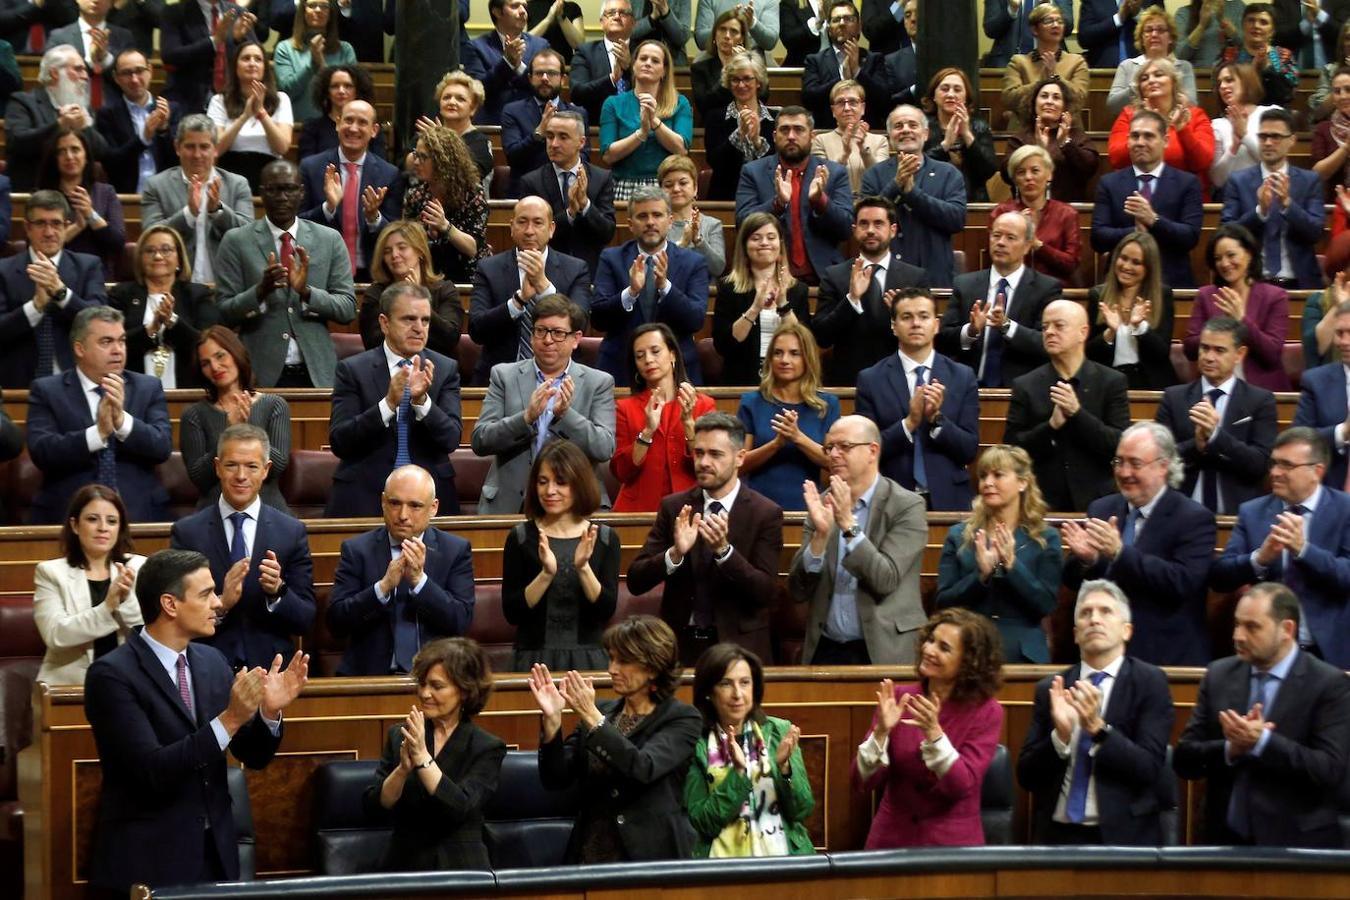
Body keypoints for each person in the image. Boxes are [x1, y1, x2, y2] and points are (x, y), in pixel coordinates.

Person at [84, 548, 308, 895]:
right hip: (148, 863)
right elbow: (152, 770)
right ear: (170, 605)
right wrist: (232, 718)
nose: (218, 604)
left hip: (215, 857)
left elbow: (255, 755)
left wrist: (267, 713)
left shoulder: (212, 662)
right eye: (206, 594)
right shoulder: (112, 675)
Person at [1174, 582, 1350, 847]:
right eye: (1237, 624)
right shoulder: (1219, 675)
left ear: (1287, 630)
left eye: (1252, 627)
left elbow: (1329, 770)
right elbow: (1184, 758)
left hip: (1299, 847)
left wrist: (1264, 743)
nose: (1238, 636)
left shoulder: (1329, 684)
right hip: (1223, 842)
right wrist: (1230, 749)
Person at [531, 615, 702, 862]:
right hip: (589, 853)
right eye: (611, 658)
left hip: (649, 860)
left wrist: (591, 716)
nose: (612, 669)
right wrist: (553, 721)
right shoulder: (603, 711)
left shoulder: (682, 718)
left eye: (623, 661)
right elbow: (556, 778)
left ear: (653, 667)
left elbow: (643, 767)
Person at [1017, 579, 1175, 845]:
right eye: (1086, 613)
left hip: (1125, 838)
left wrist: (1099, 730)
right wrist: (1061, 737)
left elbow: (1149, 769)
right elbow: (1027, 776)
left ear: (1127, 631)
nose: (1094, 619)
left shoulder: (1150, 683)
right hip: (1058, 835)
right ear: (1076, 633)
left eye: (1105, 611)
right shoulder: (1052, 688)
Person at [627, 412, 784, 664]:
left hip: (739, 650)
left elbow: (765, 592)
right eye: (699, 453)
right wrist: (674, 554)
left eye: (715, 454)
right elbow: (636, 580)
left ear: (739, 458)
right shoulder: (674, 507)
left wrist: (725, 552)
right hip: (679, 648)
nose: (703, 462)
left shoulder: (765, 513)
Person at [1061, 422, 1216, 666]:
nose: (1124, 473)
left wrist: (1120, 553)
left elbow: (1182, 582)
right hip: (1104, 656)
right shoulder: (1102, 508)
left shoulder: (1193, 518)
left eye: (1135, 463)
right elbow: (1072, 581)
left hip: (1166, 655)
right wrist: (1087, 561)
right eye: (1119, 462)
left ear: (1163, 466)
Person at [853, 608, 1005, 847]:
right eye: (930, 640)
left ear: (969, 662)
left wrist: (935, 735)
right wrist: (881, 732)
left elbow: (960, 786)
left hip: (951, 848)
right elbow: (862, 781)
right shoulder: (900, 698)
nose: (929, 650)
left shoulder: (986, 712)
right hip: (890, 842)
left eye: (943, 648)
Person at [169, 423, 315, 670]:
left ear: (266, 470)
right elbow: (177, 616)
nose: (240, 476)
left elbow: (305, 619)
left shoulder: (290, 532)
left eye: (251, 466)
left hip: (272, 670)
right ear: (217, 467)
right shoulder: (188, 533)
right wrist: (222, 603)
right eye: (231, 465)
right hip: (206, 668)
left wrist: (277, 592)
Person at [788, 415, 926, 665]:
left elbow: (885, 579)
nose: (833, 454)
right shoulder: (820, 504)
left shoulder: (906, 506)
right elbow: (798, 590)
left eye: (845, 447)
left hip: (885, 650)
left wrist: (848, 526)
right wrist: (819, 539)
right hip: (826, 648)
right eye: (829, 447)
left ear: (872, 451)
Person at [1211, 428, 1350, 668]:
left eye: (1286, 465)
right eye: (1274, 463)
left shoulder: (1345, 510)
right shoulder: (1252, 512)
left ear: (1316, 471)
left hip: (1329, 651)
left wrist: (1304, 550)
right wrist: (1259, 559)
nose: (1275, 472)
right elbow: (1220, 577)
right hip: (1267, 652)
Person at [216, 159, 358, 389]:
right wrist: (260, 291)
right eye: (274, 190)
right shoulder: (236, 241)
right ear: (261, 193)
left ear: (301, 192)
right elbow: (223, 313)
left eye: (289, 189)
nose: (282, 197)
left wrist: (307, 292)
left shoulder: (329, 240)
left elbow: (348, 308)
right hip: (259, 372)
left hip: (317, 372)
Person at [364, 637, 505, 870]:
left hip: (462, 867)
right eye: (422, 683)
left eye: (436, 686)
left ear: (465, 690)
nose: (424, 693)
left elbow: (459, 807)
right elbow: (374, 807)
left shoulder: (487, 747)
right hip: (404, 864)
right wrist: (401, 771)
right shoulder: (400, 735)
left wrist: (422, 758)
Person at [327, 282, 463, 518]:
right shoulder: (352, 370)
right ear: (384, 323)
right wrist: (388, 404)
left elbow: (451, 438)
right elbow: (340, 441)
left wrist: (422, 402)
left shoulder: (444, 368)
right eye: (409, 319)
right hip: (365, 494)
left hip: (428, 497)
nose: (419, 328)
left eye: (425, 320)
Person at [472, 294, 617, 514]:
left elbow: (604, 448)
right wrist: (526, 418)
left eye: (558, 333)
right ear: (531, 336)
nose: (548, 340)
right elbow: (481, 440)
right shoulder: (504, 375)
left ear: (576, 339)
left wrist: (566, 416)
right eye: (541, 331)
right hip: (510, 504)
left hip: (577, 504)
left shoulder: (598, 382)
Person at [327, 465, 476, 676]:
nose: (403, 515)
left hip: (436, 676)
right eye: (395, 503)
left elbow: (460, 621)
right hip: (370, 680)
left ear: (433, 508)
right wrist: (382, 588)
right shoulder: (357, 550)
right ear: (382, 502)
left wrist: (420, 582)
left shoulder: (455, 551)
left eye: (415, 506)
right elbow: (336, 623)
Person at [27, 306, 171, 525]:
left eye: (121, 341)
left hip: (139, 513)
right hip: (68, 516)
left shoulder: (147, 387)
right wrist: (97, 434)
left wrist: (122, 423)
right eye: (106, 342)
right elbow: (42, 451)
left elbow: (161, 446)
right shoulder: (47, 391)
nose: (118, 350)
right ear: (80, 348)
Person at [683, 643, 814, 857]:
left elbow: (802, 809)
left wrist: (784, 769)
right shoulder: (696, 743)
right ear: (709, 692)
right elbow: (702, 822)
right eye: (726, 684)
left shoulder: (778, 731)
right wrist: (739, 775)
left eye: (745, 683)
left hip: (784, 858)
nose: (737, 694)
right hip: (721, 866)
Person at [936, 446, 1061, 663]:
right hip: (970, 650)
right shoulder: (959, 536)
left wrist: (1013, 565)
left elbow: (1046, 605)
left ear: (1023, 483)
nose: (988, 482)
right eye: (983, 476)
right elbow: (944, 603)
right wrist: (980, 576)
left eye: (998, 475)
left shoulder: (1045, 538)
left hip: (1023, 653)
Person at [859, 287, 980, 512]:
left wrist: (937, 420)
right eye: (907, 317)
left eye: (923, 316)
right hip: (891, 500)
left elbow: (969, 449)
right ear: (894, 326)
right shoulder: (871, 379)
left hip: (949, 499)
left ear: (936, 325)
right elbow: (866, 450)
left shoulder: (962, 376)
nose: (916, 323)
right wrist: (909, 423)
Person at [1004, 300, 1131, 512]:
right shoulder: (1025, 385)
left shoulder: (1111, 382)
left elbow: (1119, 444)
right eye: (1045, 327)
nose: (1049, 332)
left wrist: (1078, 414)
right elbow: (1011, 450)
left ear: (1083, 332)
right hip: (1040, 503)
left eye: (1059, 326)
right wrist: (1050, 427)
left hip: (1098, 502)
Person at [502, 441, 618, 671]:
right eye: (542, 482)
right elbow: (512, 613)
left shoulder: (604, 538)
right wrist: (546, 574)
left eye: (560, 483)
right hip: (532, 660)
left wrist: (583, 567)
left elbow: (605, 611)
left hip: (589, 661)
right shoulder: (521, 537)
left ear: (579, 484)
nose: (550, 491)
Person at [467, 195, 592, 385]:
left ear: (551, 229)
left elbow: (580, 323)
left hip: (562, 379)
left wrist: (544, 286)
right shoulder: (488, 268)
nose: (529, 231)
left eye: (538, 223)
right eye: (522, 222)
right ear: (511, 227)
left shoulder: (575, 269)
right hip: (501, 379)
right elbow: (476, 329)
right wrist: (518, 301)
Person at [1158, 316, 1277, 514]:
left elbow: (1261, 464)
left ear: (1240, 354)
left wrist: (1217, 437)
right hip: (1180, 513)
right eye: (1204, 348)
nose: (1209, 357)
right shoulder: (1174, 398)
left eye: (1219, 350)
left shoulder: (1260, 401)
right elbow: (1159, 460)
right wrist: (1195, 446)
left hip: (1237, 514)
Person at [592, 187, 710, 386]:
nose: (650, 222)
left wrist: (665, 287)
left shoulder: (693, 262)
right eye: (642, 216)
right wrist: (631, 293)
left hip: (677, 371)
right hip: (620, 369)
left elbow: (695, 321)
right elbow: (598, 319)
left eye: (657, 215)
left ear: (670, 221)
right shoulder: (611, 258)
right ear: (630, 224)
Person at [33, 485, 145, 685]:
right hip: (68, 687)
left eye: (111, 521)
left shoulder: (139, 567)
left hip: (129, 684)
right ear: (75, 525)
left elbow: (149, 633)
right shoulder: (50, 572)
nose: (103, 527)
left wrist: (126, 599)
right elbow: (55, 635)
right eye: (93, 519)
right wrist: (107, 607)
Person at [811, 197, 927, 387]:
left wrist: (899, 316)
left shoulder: (915, 278)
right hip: (849, 383)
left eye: (878, 223)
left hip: (900, 382)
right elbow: (822, 337)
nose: (871, 230)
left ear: (893, 230)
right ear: (854, 230)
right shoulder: (835, 276)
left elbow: (924, 338)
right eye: (864, 224)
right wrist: (852, 299)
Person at [939, 211, 1061, 389]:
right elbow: (942, 340)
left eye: (1011, 237)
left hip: (1021, 390)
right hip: (969, 387)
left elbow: (1047, 344)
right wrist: (971, 331)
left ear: (1027, 246)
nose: (1001, 243)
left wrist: (1007, 326)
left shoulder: (1046, 288)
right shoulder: (965, 285)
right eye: (996, 235)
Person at [735, 106, 854, 288]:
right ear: (774, 136)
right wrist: (778, 203)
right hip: (769, 278)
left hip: (823, 279)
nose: (791, 136)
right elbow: (743, 223)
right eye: (785, 130)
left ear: (812, 136)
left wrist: (820, 201)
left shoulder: (834, 173)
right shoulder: (753, 172)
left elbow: (846, 229)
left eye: (798, 130)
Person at [0, 189, 105, 389]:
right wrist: (35, 306)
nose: (49, 232)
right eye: (40, 223)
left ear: (67, 226)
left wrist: (61, 293)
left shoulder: (88, 266)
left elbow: (98, 323)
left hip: (76, 384)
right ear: (27, 228)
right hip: (17, 386)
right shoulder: (3, 271)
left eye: (56, 223)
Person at [180, 326, 291, 512]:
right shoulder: (194, 414)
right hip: (215, 512)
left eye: (220, 356)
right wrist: (229, 430)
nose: (215, 367)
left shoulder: (274, 405)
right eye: (205, 363)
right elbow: (199, 477)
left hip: (268, 510)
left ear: (236, 353)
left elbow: (277, 465)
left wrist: (245, 427)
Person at [1091, 109, 1203, 289]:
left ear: (1165, 141)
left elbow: (1190, 237)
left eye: (1148, 136)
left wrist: (1154, 220)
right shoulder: (1109, 183)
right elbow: (1098, 237)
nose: (1140, 142)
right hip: (1120, 285)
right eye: (1135, 136)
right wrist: (1135, 231)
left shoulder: (1187, 183)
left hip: (1170, 283)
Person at [610, 323, 716, 512]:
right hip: (639, 510)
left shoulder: (703, 405)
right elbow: (622, 472)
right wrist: (647, 432)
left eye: (655, 351)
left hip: (692, 508)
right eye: (640, 356)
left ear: (673, 354)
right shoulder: (625, 408)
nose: (648, 360)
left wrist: (689, 423)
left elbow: (711, 467)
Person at [140, 114, 255, 289]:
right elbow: (150, 235)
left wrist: (217, 211)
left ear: (215, 149)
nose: (197, 154)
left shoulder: (237, 184)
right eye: (190, 147)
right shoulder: (156, 186)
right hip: (176, 288)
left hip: (226, 287)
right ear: (177, 147)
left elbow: (248, 235)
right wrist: (188, 215)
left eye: (204, 147)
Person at [859, 104, 966, 288]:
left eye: (912, 125)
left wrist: (912, 194)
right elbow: (867, 220)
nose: (905, 130)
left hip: (934, 278)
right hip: (886, 280)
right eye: (898, 126)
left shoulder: (948, 173)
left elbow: (956, 220)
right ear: (890, 136)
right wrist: (896, 184)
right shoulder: (874, 175)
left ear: (925, 134)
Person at [736, 322, 839, 511]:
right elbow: (737, 465)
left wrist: (797, 437)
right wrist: (776, 444)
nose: (784, 360)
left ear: (807, 358)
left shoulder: (827, 405)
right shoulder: (751, 402)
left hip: (810, 506)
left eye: (794, 353)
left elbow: (835, 462)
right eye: (777, 353)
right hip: (758, 507)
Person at [1220, 109, 1326, 291]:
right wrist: (1259, 212)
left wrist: (1288, 205)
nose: (1268, 142)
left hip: (1299, 283)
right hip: (1251, 284)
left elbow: (1315, 232)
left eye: (1275, 136)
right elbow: (1226, 233)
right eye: (1263, 137)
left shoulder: (1309, 181)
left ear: (1292, 140)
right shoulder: (1238, 181)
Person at [299, 99, 401, 281]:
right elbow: (298, 224)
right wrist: (327, 208)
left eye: (362, 122)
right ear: (338, 124)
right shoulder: (311, 167)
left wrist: (373, 218)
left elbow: (396, 233)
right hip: (322, 273)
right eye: (348, 120)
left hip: (371, 275)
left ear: (374, 130)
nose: (353, 128)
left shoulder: (389, 174)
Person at [1182, 223, 1292, 392]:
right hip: (1214, 387)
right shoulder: (1206, 295)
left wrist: (1242, 320)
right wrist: (1217, 330)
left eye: (1231, 255)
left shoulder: (1275, 297)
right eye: (1218, 258)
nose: (1224, 264)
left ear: (1249, 254)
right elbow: (1190, 349)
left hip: (1261, 391)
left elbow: (1272, 354)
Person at [712, 212, 809, 387]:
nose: (764, 243)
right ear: (745, 246)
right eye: (756, 238)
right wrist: (755, 308)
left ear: (780, 245)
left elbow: (804, 344)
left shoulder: (797, 290)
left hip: (790, 381)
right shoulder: (729, 288)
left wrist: (784, 306)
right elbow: (724, 345)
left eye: (771, 237)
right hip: (742, 381)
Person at [519, 109, 617, 279]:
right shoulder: (532, 181)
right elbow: (533, 233)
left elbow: (607, 233)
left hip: (591, 272)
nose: (554, 144)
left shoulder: (601, 178)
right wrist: (570, 213)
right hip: (545, 272)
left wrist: (585, 204)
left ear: (581, 142)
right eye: (550, 136)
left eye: (563, 137)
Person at [4, 44, 108, 192]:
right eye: (78, 69)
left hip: (78, 194)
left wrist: (85, 127)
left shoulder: (84, 109)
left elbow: (102, 152)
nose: (85, 76)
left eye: (85, 70)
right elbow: (17, 142)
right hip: (32, 192)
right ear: (54, 73)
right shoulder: (23, 102)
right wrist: (59, 125)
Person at [598, 38, 692, 199]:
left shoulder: (680, 102)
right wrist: (641, 133)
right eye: (643, 58)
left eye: (655, 61)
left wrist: (654, 121)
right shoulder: (613, 103)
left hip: (666, 186)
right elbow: (608, 155)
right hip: (625, 184)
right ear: (633, 66)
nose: (648, 63)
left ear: (664, 71)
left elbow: (681, 149)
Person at [1107, 57, 1214, 196]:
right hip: (1137, 194)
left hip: (1185, 197)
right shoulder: (1129, 115)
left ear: (1173, 82)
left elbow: (1202, 162)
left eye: (1158, 75)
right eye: (1144, 78)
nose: (1151, 80)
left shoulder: (1194, 116)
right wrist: (1143, 126)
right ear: (1140, 88)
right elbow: (1117, 159)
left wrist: (1183, 130)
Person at [1084, 232, 1176, 391]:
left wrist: (1140, 327)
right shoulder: (1098, 295)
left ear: (1148, 268)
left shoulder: (1163, 295)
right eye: (1123, 258)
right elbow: (1089, 354)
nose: (1126, 266)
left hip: (1151, 382)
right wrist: (1110, 333)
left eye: (1136, 262)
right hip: (1107, 382)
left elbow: (1161, 353)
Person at [398, 124, 490, 284]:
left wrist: (445, 227)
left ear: (442, 161)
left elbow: (473, 248)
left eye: (423, 157)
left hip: (467, 277)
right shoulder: (416, 195)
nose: (416, 162)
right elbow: (408, 240)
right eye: (415, 155)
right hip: (428, 276)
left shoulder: (471, 194)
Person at [358, 221, 461, 358]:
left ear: (420, 251)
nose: (394, 255)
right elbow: (372, 342)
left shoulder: (444, 289)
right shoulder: (375, 294)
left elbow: (450, 338)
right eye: (387, 251)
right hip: (387, 369)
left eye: (402, 247)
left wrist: (419, 302)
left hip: (436, 369)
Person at [35, 126, 124, 277]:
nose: (69, 156)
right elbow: (36, 246)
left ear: (86, 156)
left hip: (95, 275)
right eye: (62, 151)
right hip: (51, 273)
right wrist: (77, 227)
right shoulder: (42, 196)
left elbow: (117, 242)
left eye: (75, 149)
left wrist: (90, 214)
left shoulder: (105, 192)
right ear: (55, 158)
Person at [500, 48, 588, 197]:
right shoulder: (513, 111)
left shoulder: (578, 113)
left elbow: (583, 157)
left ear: (563, 79)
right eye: (539, 73)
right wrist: (539, 132)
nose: (545, 78)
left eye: (552, 73)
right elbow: (513, 157)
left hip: (566, 191)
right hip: (525, 193)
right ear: (530, 78)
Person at [206, 41, 294, 191]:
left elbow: (282, 147)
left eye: (258, 59)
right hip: (230, 172)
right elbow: (216, 149)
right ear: (236, 66)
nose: (252, 63)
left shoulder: (281, 99)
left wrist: (261, 113)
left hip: (269, 174)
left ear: (265, 67)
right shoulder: (219, 100)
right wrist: (245, 116)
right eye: (246, 58)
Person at [96, 49, 183, 195]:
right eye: (126, 73)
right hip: (125, 196)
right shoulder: (107, 114)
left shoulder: (172, 110)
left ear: (150, 71)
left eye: (139, 71)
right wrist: (143, 138)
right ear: (116, 78)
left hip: (166, 196)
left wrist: (163, 130)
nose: (134, 79)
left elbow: (179, 161)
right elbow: (110, 162)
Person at [992, 145, 1080, 286]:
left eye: (1035, 171)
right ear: (1015, 180)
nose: (1028, 177)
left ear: (1049, 175)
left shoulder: (1066, 214)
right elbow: (996, 259)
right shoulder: (1002, 213)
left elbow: (1071, 264)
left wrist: (1037, 245)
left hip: (1055, 291)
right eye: (1021, 172)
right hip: (1013, 288)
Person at [1003, 77, 1099, 204]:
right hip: (1027, 208)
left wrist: (1065, 143)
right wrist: (1038, 150)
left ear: (1065, 106)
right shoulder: (1021, 138)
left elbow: (1090, 167)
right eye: (1044, 96)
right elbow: (1007, 173)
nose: (1049, 101)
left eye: (1056, 97)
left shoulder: (1076, 136)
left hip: (1067, 208)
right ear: (1034, 103)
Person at [159, 0, 266, 114]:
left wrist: (236, 40)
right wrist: (214, 41)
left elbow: (255, 55)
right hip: (189, 99)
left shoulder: (239, 12)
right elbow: (170, 56)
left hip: (232, 99)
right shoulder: (175, 11)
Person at [1000, 3, 1088, 132]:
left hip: (1067, 132)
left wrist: (1055, 77)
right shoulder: (1018, 62)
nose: (1056, 25)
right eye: (1048, 21)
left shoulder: (1077, 62)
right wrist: (1042, 81)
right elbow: (1009, 99)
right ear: (1035, 29)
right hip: (1025, 131)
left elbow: (1079, 100)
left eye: (1060, 21)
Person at [703, 50, 776, 202]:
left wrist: (757, 142)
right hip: (726, 196)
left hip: (766, 198)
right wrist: (739, 135)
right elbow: (714, 161)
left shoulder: (775, 119)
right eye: (735, 79)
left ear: (758, 82)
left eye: (747, 79)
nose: (741, 85)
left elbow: (777, 165)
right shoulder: (715, 117)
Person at [465, 0, 551, 125]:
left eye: (524, 7)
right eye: (515, 6)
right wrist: (506, 63)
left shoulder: (541, 45)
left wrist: (518, 66)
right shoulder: (477, 46)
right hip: (493, 122)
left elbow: (544, 86)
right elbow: (477, 90)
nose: (523, 11)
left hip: (533, 122)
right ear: (497, 12)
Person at [920, 67, 997, 204]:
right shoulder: (922, 126)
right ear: (934, 96)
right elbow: (919, 168)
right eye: (944, 89)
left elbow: (988, 171)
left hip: (972, 200)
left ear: (966, 97)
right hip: (931, 199)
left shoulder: (979, 127)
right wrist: (946, 144)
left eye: (957, 89)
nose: (951, 94)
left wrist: (967, 135)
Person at [1295, 300, 1350, 488]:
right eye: (1340, 333)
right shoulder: (1316, 381)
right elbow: (1299, 439)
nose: (1343, 341)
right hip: (1331, 489)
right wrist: (1342, 432)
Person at [1105, 7, 1199, 118]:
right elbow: (1112, 105)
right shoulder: (1127, 66)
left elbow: (1192, 104)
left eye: (1160, 30)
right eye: (1149, 30)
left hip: (1175, 124)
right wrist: (1137, 85)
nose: (1154, 34)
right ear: (1142, 39)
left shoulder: (1183, 67)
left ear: (1170, 38)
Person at [274, 0, 356, 123]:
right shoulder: (285, 48)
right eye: (312, 5)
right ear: (303, 11)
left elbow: (352, 92)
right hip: (298, 126)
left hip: (338, 126)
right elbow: (287, 92)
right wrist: (311, 65)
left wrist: (321, 64)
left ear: (331, 13)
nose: (318, 10)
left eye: (324, 6)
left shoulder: (345, 49)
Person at [810, 79, 889, 194]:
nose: (847, 108)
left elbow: (881, 177)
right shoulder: (820, 141)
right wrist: (844, 154)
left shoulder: (880, 141)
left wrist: (863, 149)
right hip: (836, 203)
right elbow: (823, 181)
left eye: (852, 102)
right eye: (841, 103)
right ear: (833, 111)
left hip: (870, 204)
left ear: (862, 108)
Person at [1208, 61, 1275, 194]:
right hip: (1233, 197)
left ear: (1246, 81)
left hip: (1271, 191)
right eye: (1219, 82)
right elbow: (1217, 180)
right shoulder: (1217, 125)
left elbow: (1273, 162)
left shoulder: (1271, 113)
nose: (1222, 86)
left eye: (1229, 80)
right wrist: (1234, 147)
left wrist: (1244, 135)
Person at [297, 63, 387, 160]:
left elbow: (380, 165)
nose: (341, 91)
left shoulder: (369, 127)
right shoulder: (312, 127)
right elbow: (307, 167)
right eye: (335, 86)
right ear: (327, 92)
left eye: (348, 86)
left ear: (357, 91)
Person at [568, 0, 636, 125]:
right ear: (601, 22)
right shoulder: (585, 52)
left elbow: (656, 91)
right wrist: (611, 79)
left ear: (633, 22)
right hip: (597, 127)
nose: (617, 16)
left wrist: (630, 68)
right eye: (611, 13)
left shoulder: (644, 51)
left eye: (623, 13)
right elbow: (577, 94)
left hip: (637, 126)